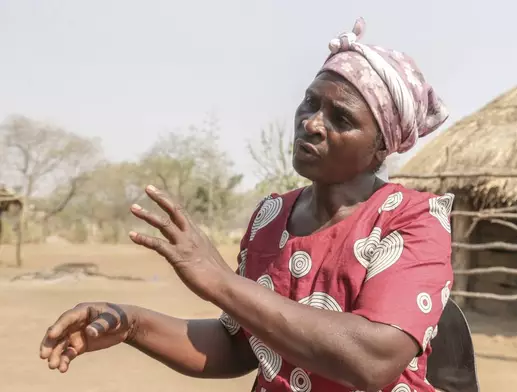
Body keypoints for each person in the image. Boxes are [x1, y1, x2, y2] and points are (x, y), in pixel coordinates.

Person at [39, 18, 454, 392]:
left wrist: (220, 280)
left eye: (340, 118)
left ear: (382, 145)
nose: (311, 123)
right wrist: (130, 322)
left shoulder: (412, 218)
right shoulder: (270, 218)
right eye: (311, 103)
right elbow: (240, 345)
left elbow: (372, 360)